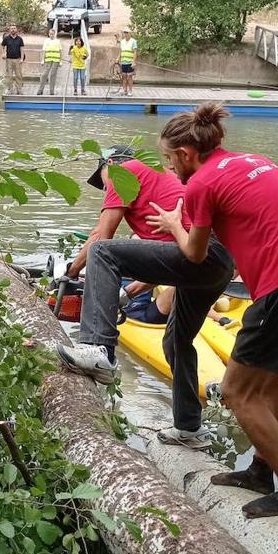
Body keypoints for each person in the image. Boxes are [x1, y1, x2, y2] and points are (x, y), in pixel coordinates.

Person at [145, 102, 278, 518]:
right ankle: (260, 470)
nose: (171, 169)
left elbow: (195, 256)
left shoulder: (200, 183)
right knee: (268, 382)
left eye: (169, 159)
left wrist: (173, 225)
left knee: (236, 390)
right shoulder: (251, 161)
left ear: (185, 154)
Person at [56, 147, 234, 450]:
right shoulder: (161, 180)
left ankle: (101, 351)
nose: (105, 189)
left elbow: (102, 235)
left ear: (109, 164)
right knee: (177, 341)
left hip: (198, 256)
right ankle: (190, 429)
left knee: (102, 253)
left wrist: (69, 271)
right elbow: (170, 261)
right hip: (217, 262)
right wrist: (128, 292)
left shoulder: (123, 171)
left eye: (102, 181)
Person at [1, 25, 25, 93]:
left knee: (18, 75)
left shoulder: (20, 39)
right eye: (11, 28)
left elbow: (22, 49)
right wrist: (3, 53)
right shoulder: (6, 38)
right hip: (9, 60)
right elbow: (2, 46)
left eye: (14, 28)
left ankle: (19, 89)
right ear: (9, 30)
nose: (13, 30)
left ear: (16, 30)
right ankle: (10, 89)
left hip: (17, 59)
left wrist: (22, 59)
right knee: (9, 75)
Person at [37, 29, 62, 95]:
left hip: (56, 60)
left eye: (52, 34)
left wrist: (60, 61)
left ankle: (51, 91)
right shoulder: (46, 41)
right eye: (50, 34)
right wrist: (43, 59)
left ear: (54, 34)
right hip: (48, 60)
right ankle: (40, 90)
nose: (51, 35)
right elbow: (44, 50)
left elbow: (60, 51)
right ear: (48, 34)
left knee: (53, 75)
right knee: (44, 74)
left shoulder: (58, 41)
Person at [117, 29, 138, 96]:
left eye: (127, 33)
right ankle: (124, 90)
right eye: (124, 33)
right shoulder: (122, 42)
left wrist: (134, 62)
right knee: (124, 76)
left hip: (130, 62)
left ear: (129, 33)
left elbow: (135, 52)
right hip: (123, 62)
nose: (125, 34)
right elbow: (121, 51)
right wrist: (118, 58)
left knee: (129, 77)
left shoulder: (133, 41)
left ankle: (130, 91)